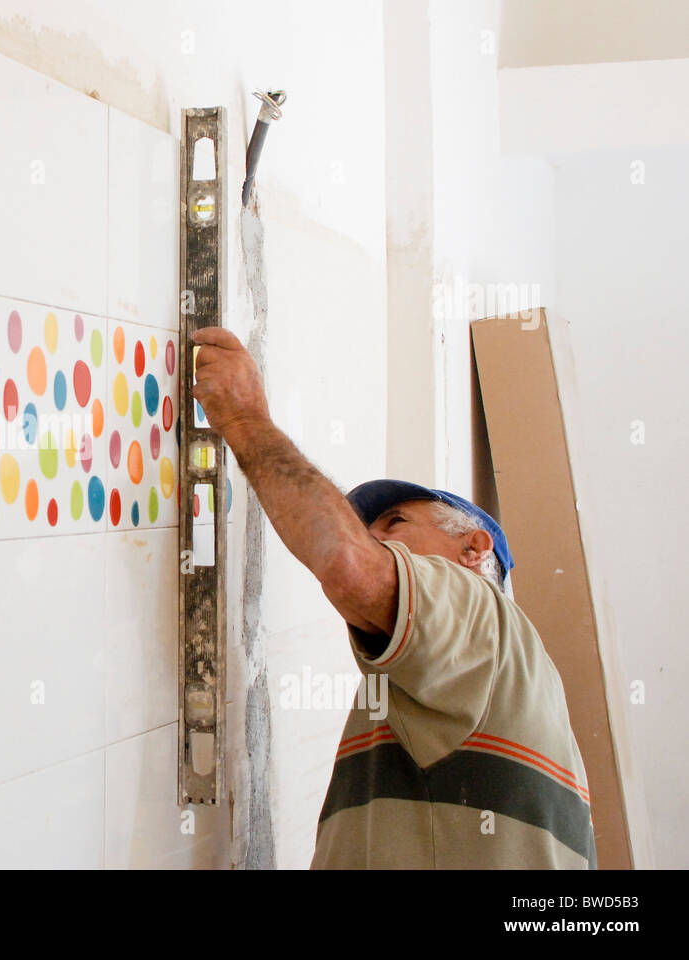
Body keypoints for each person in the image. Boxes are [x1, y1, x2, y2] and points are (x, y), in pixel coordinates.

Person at [190, 327, 596, 869]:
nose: (375, 540)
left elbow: (349, 568)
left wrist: (245, 421)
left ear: (473, 549)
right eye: (370, 530)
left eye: (395, 523)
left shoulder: (480, 615)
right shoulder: (484, 668)